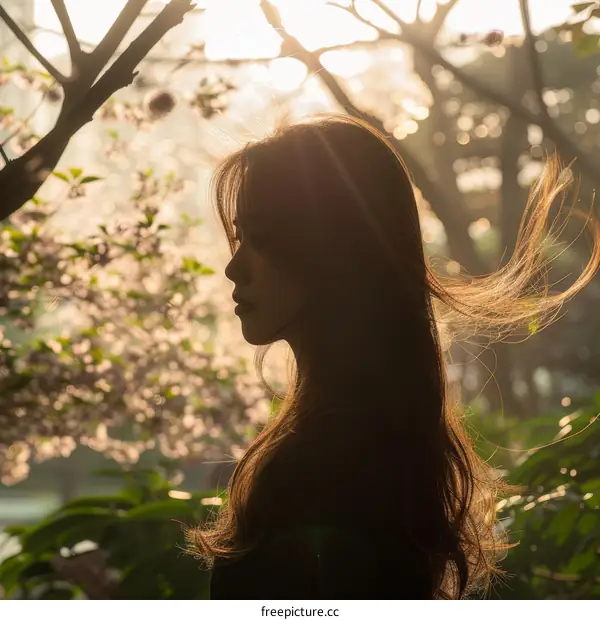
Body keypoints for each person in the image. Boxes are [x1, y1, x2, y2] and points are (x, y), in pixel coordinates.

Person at [187, 113, 600, 599]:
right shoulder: (383, 437)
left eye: (261, 238)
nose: (235, 268)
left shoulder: (325, 459)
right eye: (240, 237)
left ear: (332, 250)